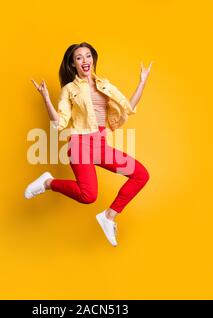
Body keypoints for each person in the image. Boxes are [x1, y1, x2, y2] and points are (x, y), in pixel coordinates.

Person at [26, 42, 152, 247]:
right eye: (79, 58)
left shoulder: (104, 85)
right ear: (73, 64)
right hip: (79, 145)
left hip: (99, 145)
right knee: (89, 196)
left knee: (141, 175)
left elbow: (127, 108)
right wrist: (46, 99)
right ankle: (49, 183)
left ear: (93, 59)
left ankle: (109, 217)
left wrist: (142, 82)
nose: (85, 60)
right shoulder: (69, 89)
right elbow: (59, 123)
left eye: (88, 56)